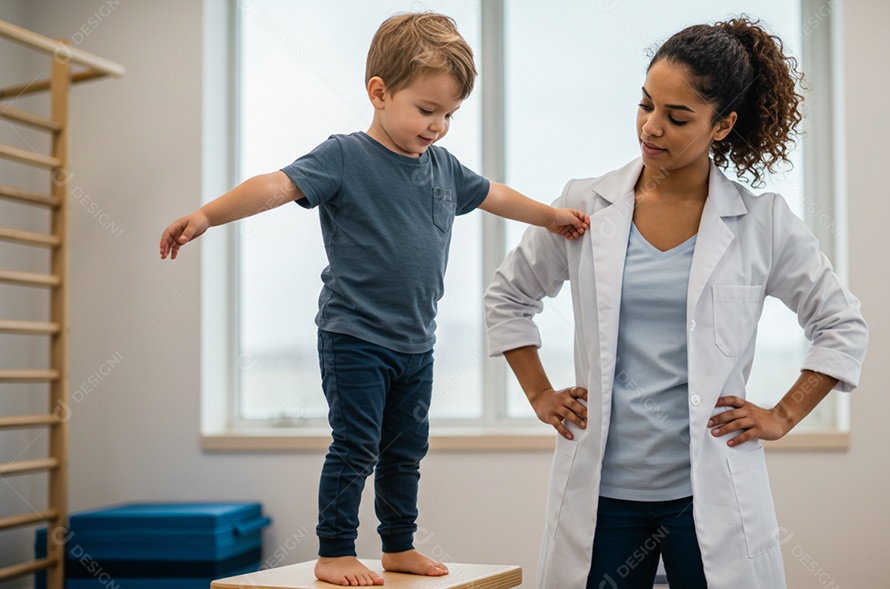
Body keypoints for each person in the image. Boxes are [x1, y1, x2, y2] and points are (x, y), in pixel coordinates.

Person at [159, 12, 589, 587]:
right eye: (427, 110)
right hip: (354, 337)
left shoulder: (442, 167)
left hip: (416, 342)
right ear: (379, 93)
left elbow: (496, 196)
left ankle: (398, 545)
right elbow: (276, 185)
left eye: (450, 115)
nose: (438, 126)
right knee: (356, 445)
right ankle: (335, 549)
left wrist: (552, 216)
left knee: (407, 449)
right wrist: (208, 215)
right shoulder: (344, 156)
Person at [484, 17, 868, 589]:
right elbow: (509, 297)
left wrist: (783, 414)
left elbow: (841, 325)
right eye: (645, 105)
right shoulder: (586, 206)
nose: (651, 127)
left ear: (723, 124)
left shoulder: (762, 223)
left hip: (709, 494)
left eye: (677, 116)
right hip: (605, 495)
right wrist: (539, 392)